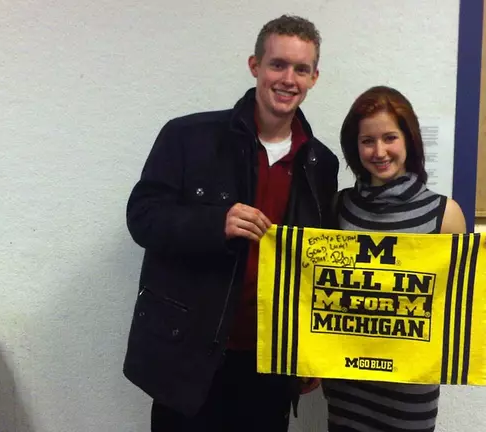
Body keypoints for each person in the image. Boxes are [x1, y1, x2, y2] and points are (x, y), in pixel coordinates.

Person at [122, 15, 339, 431]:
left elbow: (318, 264)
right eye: (277, 64)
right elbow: (142, 218)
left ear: (314, 78)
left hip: (270, 359)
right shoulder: (188, 136)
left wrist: (312, 351)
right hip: (190, 357)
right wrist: (213, 223)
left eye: (301, 69)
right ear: (254, 65)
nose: (288, 78)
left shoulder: (321, 163)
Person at [322, 86, 486, 432]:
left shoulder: (444, 213)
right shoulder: (339, 207)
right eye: (367, 140)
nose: (379, 151)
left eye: (389, 137)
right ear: (355, 147)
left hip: (410, 392)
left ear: (409, 140)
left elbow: (468, 301)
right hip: (347, 386)